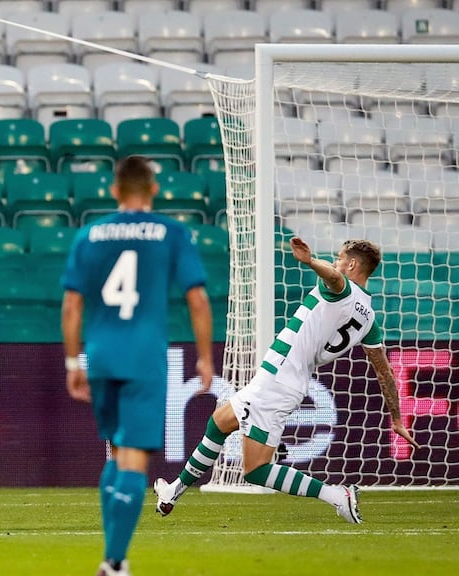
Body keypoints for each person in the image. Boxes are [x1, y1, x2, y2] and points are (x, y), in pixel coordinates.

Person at [154, 237, 421, 524]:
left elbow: (334, 278)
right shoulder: (369, 320)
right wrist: (396, 419)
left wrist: (310, 262)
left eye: (339, 258)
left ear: (352, 264)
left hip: (279, 380)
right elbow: (384, 371)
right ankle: (173, 491)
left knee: (256, 470)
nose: (335, 262)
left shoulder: (342, 290)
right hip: (283, 377)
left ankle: (336, 495)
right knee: (219, 422)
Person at [62, 156, 214, 576]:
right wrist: (204, 357)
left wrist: (73, 361)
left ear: (114, 190)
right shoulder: (171, 233)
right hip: (144, 355)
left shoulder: (90, 235)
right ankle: (114, 561)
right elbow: (197, 299)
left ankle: (114, 558)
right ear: (154, 190)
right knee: (133, 459)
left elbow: (72, 305)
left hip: (102, 354)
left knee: (114, 451)